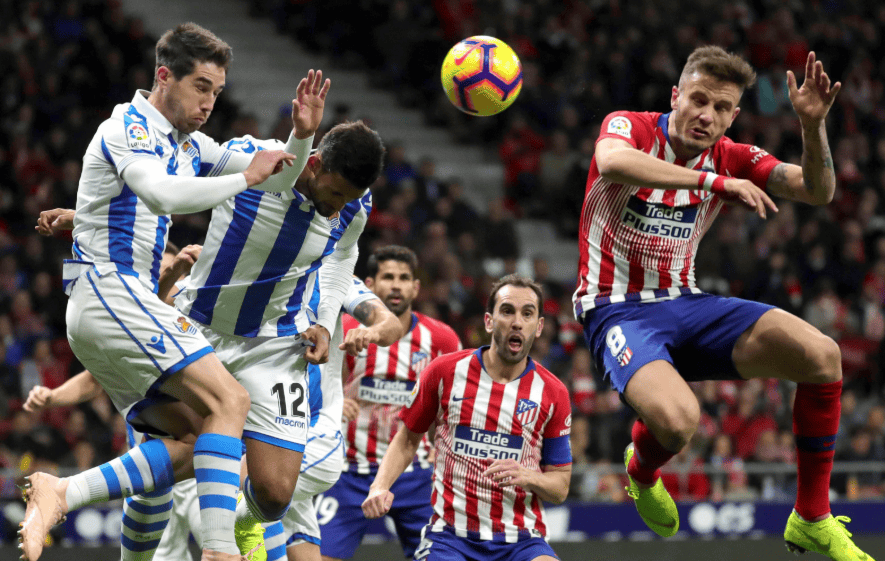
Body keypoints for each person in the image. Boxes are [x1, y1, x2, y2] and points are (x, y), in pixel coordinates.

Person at [20, 22, 317, 561]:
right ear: (164, 76)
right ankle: (221, 550)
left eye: (217, 92)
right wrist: (246, 178)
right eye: (201, 87)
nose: (209, 103)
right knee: (232, 400)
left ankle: (63, 491)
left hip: (111, 305)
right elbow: (161, 195)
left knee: (197, 440)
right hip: (111, 293)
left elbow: (277, 177)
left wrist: (300, 137)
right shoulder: (129, 126)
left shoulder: (188, 144)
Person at [573, 45, 872, 560]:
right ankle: (641, 471)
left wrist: (812, 125)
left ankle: (811, 516)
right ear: (676, 96)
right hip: (615, 307)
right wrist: (713, 181)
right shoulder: (631, 127)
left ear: (733, 116)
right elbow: (612, 162)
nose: (706, 115)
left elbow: (816, 191)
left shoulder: (733, 154)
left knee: (822, 356)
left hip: (687, 302)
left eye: (721, 107)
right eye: (698, 100)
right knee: (677, 423)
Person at [173, 120, 385, 561]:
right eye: (335, 193)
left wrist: (325, 322)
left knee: (274, 495)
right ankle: (213, 546)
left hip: (274, 344)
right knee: (173, 459)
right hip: (200, 330)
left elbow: (344, 254)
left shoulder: (354, 204)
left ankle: (241, 527)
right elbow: (169, 179)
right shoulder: (251, 157)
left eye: (348, 200)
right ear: (315, 164)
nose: (338, 207)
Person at [363, 274, 572, 561]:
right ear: (489, 321)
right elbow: (408, 439)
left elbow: (560, 487)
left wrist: (529, 476)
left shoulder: (553, 392)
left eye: (527, 314)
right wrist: (379, 486)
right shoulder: (444, 371)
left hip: (521, 542)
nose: (517, 322)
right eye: (507, 311)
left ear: (538, 327)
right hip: (450, 538)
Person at [319, 245, 462, 561]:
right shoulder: (345, 329)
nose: (396, 285)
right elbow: (312, 387)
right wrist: (332, 404)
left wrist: (446, 450)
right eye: (387, 277)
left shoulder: (442, 339)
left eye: (404, 278)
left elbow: (455, 407)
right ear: (369, 285)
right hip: (348, 472)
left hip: (417, 477)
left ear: (416, 287)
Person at [283, 275, 403, 561]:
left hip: (315, 434)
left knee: (239, 502)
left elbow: (391, 325)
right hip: (260, 427)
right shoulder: (257, 270)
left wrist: (371, 333)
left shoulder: (334, 275)